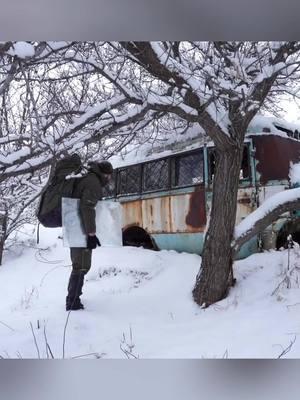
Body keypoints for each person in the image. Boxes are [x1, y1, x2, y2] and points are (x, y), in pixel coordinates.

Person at [66, 160, 114, 311]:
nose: (109, 179)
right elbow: (87, 208)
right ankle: (73, 302)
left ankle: (74, 298)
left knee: (79, 265)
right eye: (109, 176)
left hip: (74, 226)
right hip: (81, 229)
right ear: (105, 174)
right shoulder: (93, 183)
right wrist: (91, 234)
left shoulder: (87, 177)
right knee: (81, 265)